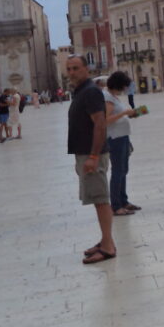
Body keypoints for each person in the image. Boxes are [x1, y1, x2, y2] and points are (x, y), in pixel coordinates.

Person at [66, 55, 115, 265]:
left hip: (92, 154)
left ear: (86, 69)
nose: (71, 72)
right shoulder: (81, 92)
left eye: (76, 68)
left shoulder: (91, 92)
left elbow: (100, 124)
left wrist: (93, 156)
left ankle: (108, 247)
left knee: (101, 199)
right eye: (68, 69)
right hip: (84, 153)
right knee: (97, 199)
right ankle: (105, 240)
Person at [103, 71, 139, 216]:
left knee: (123, 170)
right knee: (118, 171)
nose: (125, 89)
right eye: (124, 86)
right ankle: (116, 206)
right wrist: (124, 114)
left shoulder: (113, 97)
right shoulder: (108, 99)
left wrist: (132, 113)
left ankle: (124, 201)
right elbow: (105, 120)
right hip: (115, 138)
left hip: (122, 137)